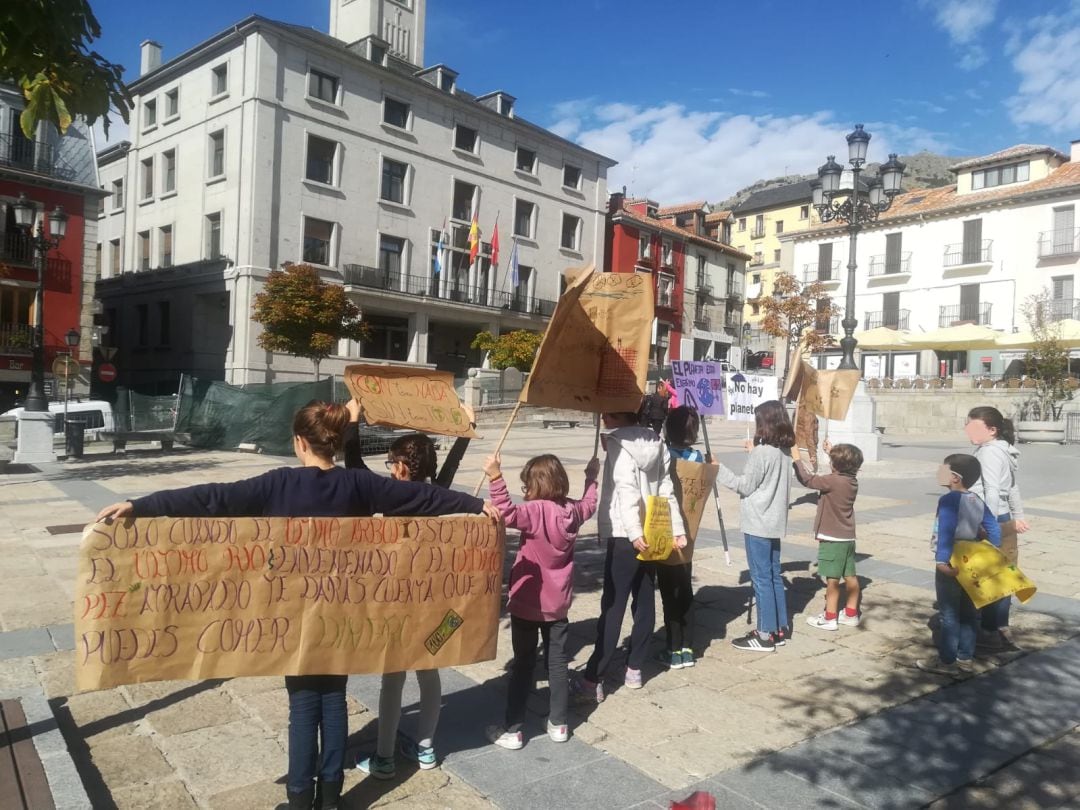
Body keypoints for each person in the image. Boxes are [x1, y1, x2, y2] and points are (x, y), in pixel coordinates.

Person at [95, 401, 496, 810]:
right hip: (343, 614)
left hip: (290, 618)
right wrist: (476, 504)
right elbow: (421, 497)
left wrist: (143, 505)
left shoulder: (276, 484)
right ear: (335, 445)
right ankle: (330, 796)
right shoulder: (358, 485)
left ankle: (300, 798)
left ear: (299, 442)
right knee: (334, 699)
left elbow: (211, 499)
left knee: (304, 704)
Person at [349, 405, 473, 779]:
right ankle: (425, 749)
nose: (388, 468)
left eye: (390, 462)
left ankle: (385, 756)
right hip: (433, 598)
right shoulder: (436, 493)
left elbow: (353, 466)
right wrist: (465, 430)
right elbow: (450, 466)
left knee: (393, 676)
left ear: (402, 466)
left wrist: (353, 422)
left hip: (396, 598)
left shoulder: (387, 495)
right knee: (430, 672)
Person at [482, 451, 599, 749]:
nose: (525, 492)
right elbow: (589, 505)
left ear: (536, 485)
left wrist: (495, 476)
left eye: (526, 486)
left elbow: (505, 512)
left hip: (526, 603)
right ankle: (559, 723)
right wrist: (591, 478)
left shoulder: (534, 510)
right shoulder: (571, 511)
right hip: (557, 605)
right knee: (557, 663)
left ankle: (514, 728)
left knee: (523, 664)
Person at [573, 411, 687, 701]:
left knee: (614, 604)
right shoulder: (655, 440)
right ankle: (635, 666)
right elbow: (666, 488)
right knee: (645, 598)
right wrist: (676, 528)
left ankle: (593, 677)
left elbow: (626, 490)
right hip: (653, 529)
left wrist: (633, 532)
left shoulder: (619, 443)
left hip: (628, 533)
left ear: (614, 414)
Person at [715, 400, 794, 653]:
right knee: (773, 576)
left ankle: (764, 634)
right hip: (774, 521)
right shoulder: (783, 452)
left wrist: (718, 469)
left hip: (758, 522)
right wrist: (754, 452)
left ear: (765, 423)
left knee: (760, 578)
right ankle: (779, 627)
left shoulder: (763, 453)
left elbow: (745, 485)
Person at [917, 454, 1001, 677]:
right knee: (969, 612)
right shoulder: (976, 500)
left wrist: (942, 560)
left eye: (942, 469)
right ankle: (966, 658)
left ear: (954, 477)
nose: (938, 472)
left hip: (952, 560)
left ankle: (947, 661)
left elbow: (946, 529)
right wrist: (989, 547)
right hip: (971, 559)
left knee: (949, 614)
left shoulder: (949, 500)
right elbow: (994, 529)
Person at [964, 406, 1028, 651]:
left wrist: (986, 524)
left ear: (992, 430)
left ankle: (990, 629)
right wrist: (1018, 515)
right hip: (1004, 515)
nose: (969, 429)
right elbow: (1013, 487)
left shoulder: (990, 453)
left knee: (992, 575)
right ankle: (999, 625)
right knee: (1004, 572)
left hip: (990, 516)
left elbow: (991, 489)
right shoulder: (1004, 450)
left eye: (974, 425)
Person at [793, 440, 864, 631]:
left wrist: (797, 459)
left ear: (835, 465)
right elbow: (841, 468)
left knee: (832, 581)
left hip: (832, 539)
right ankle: (850, 613)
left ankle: (830, 617)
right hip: (847, 538)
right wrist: (831, 451)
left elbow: (807, 480)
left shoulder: (832, 481)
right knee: (850, 576)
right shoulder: (851, 481)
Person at [657, 405, 705, 669]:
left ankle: (673, 648)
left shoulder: (665, 455)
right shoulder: (698, 457)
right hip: (690, 530)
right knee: (686, 590)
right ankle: (688, 646)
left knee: (669, 594)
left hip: (667, 530)